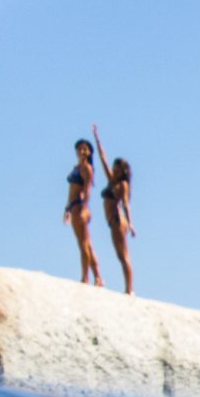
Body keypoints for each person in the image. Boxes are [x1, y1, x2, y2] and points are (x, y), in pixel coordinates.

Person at [93, 125, 135, 294]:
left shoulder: (122, 185)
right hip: (112, 221)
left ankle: (129, 289)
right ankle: (128, 288)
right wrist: (97, 139)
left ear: (123, 172)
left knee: (123, 256)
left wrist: (131, 223)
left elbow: (125, 203)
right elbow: (103, 159)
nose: (115, 171)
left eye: (118, 170)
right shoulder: (111, 180)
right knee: (120, 256)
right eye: (115, 169)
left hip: (118, 220)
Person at [63, 138, 101, 285]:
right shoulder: (76, 168)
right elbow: (70, 190)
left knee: (83, 243)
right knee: (87, 243)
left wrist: (84, 207)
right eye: (80, 148)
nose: (82, 151)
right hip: (74, 206)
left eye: (85, 149)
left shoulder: (86, 168)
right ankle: (97, 276)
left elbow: (88, 189)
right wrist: (67, 208)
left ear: (90, 152)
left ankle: (86, 277)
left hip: (80, 206)